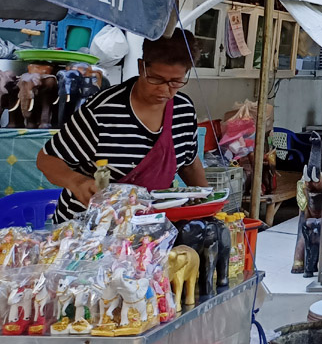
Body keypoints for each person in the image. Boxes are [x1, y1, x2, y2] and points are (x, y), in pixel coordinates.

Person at [38, 29, 209, 222]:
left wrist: (209, 209)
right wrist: (76, 182)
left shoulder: (183, 110)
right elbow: (47, 159)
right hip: (85, 230)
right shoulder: (102, 111)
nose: (164, 89)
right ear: (141, 67)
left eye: (176, 81)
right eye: (156, 79)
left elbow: (189, 165)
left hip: (149, 229)